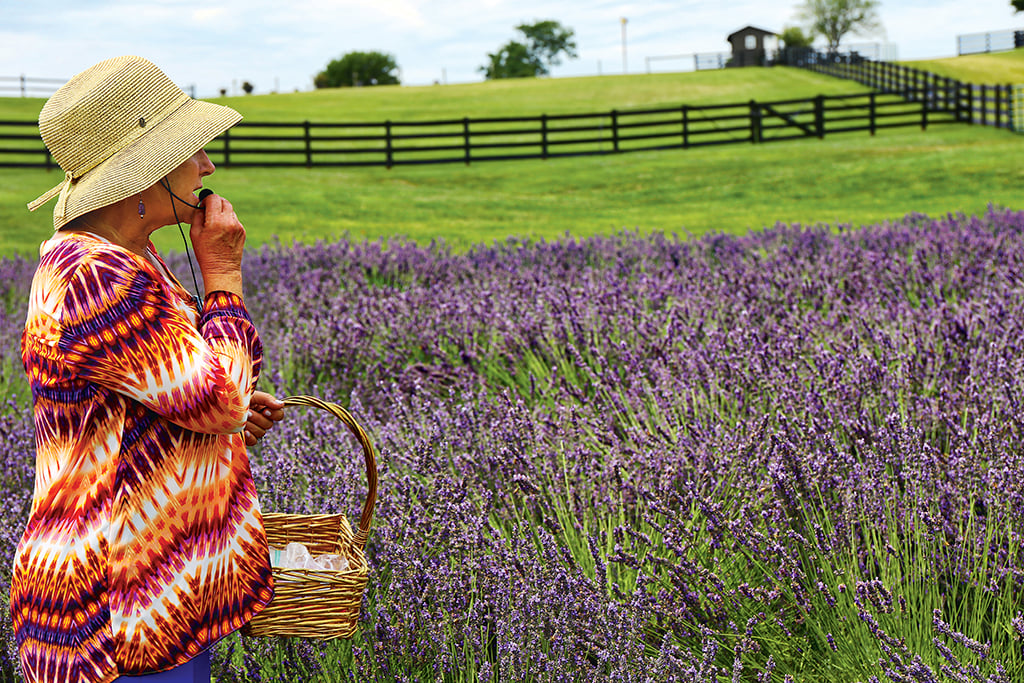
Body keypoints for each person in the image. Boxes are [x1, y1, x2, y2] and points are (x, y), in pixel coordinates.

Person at [12, 55, 285, 683]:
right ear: (147, 175)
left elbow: (160, 402)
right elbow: (220, 397)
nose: (209, 167)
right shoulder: (96, 275)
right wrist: (223, 277)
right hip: (114, 608)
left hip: (162, 589)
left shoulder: (135, 259)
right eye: (193, 151)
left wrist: (224, 422)